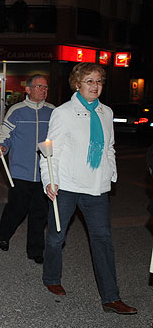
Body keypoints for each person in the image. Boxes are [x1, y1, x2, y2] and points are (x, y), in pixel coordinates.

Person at [41, 62, 136, 314]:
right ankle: (51, 277)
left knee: (103, 240)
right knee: (56, 237)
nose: (95, 86)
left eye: (99, 81)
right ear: (77, 84)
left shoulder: (106, 112)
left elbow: (110, 146)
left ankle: (110, 297)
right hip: (67, 185)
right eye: (89, 81)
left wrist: (110, 173)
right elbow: (51, 150)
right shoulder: (63, 113)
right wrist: (49, 180)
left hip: (96, 187)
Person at [0, 74, 54, 264]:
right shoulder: (17, 110)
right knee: (16, 208)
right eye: (39, 86)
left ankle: (36, 250)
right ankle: (4, 235)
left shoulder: (52, 111)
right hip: (20, 171)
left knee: (40, 212)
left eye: (45, 87)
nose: (43, 90)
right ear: (27, 90)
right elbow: (4, 134)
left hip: (44, 173)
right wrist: (3, 146)